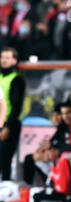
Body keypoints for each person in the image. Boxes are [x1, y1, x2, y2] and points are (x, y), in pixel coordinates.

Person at [0, 46, 25, 181]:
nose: (3, 60)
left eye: (7, 58)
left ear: (14, 61)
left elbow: (16, 106)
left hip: (8, 124)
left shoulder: (16, 80)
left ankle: (4, 193)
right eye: (2, 57)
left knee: (4, 160)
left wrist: (7, 126)